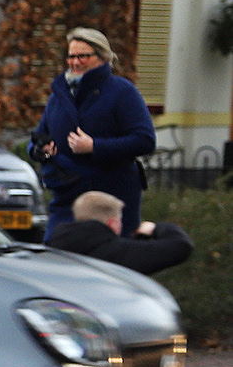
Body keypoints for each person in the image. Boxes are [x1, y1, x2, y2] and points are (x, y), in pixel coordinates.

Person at [29, 27, 153, 230]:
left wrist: (94, 146)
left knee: (105, 258)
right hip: (66, 194)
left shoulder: (123, 92)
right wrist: (40, 151)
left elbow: (144, 140)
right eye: (71, 56)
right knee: (58, 254)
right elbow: (39, 137)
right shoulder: (59, 95)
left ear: (102, 57)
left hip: (110, 197)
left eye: (83, 56)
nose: (75, 62)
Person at [46, 188, 191, 275]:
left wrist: (139, 240)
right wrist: (155, 228)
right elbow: (180, 246)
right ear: (112, 222)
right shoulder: (114, 252)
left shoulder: (55, 247)